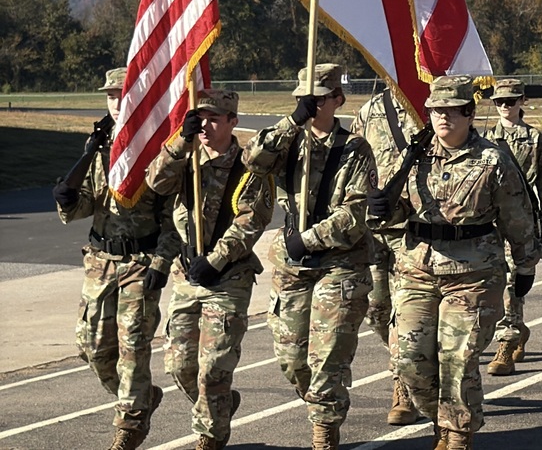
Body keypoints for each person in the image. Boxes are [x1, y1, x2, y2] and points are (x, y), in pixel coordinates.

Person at [367, 75, 542, 450]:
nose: (443, 118)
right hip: (418, 268)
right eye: (436, 111)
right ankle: (442, 419)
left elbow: (518, 217)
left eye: (451, 111)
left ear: (469, 113)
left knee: (458, 360)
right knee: (409, 358)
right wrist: (381, 207)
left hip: (474, 273)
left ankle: (458, 436)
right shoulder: (413, 157)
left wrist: (525, 266)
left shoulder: (493, 159)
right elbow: (393, 210)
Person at [242, 64, 377, 449]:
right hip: (292, 264)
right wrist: (291, 121)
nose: (313, 104)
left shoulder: (355, 149)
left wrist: (311, 238)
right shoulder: (289, 141)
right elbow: (253, 161)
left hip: (340, 262)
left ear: (337, 99)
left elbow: (353, 216)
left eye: (320, 98)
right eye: (307, 99)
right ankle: (320, 400)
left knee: (327, 356)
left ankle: (324, 427)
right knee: (292, 358)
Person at [52, 67, 179, 450]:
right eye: (109, 96)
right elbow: (83, 205)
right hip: (100, 261)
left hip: (140, 261)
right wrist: (73, 184)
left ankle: (129, 425)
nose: (115, 103)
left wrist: (161, 262)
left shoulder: (157, 150)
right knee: (91, 346)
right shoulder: (103, 151)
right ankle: (140, 397)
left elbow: (176, 216)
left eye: (121, 96)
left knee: (133, 349)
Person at [145, 90, 274, 450]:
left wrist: (215, 260)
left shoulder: (250, 165)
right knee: (180, 366)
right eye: (200, 118)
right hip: (187, 276)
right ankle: (220, 405)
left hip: (228, 276)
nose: (205, 125)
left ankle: (210, 437)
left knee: (213, 368)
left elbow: (252, 221)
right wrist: (178, 142)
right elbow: (155, 184)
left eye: (215, 118)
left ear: (233, 122)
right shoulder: (186, 157)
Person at [349, 87, 423, 425]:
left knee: (407, 315)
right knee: (378, 310)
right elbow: (353, 163)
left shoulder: (428, 109)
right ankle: (407, 365)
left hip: (416, 232)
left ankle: (402, 386)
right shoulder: (368, 111)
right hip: (375, 230)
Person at [483, 78, 542, 376]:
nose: (505, 106)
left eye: (511, 101)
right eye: (500, 102)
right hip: (491, 224)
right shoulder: (486, 138)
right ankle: (516, 329)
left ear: (521, 102)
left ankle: (507, 342)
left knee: (514, 283)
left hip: (524, 223)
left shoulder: (535, 139)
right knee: (494, 284)